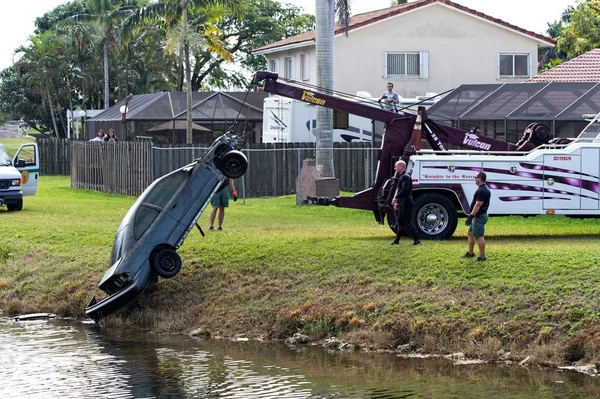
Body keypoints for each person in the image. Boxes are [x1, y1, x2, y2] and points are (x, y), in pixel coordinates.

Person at [463, 171, 491, 261]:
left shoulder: (482, 190)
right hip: (478, 216)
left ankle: (482, 256)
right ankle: (470, 253)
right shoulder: (483, 188)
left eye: (475, 177)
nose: (474, 179)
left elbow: (478, 205)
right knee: (470, 233)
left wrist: (471, 216)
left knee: (479, 236)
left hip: (479, 216)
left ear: (480, 178)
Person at [391, 160, 420, 246]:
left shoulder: (405, 177)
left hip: (407, 202)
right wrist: (398, 202)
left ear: (400, 166)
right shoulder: (403, 177)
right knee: (400, 221)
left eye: (396, 166)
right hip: (402, 202)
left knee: (408, 221)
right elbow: (401, 190)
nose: (395, 168)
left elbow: (405, 190)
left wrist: (395, 198)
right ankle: (397, 240)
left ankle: (416, 240)